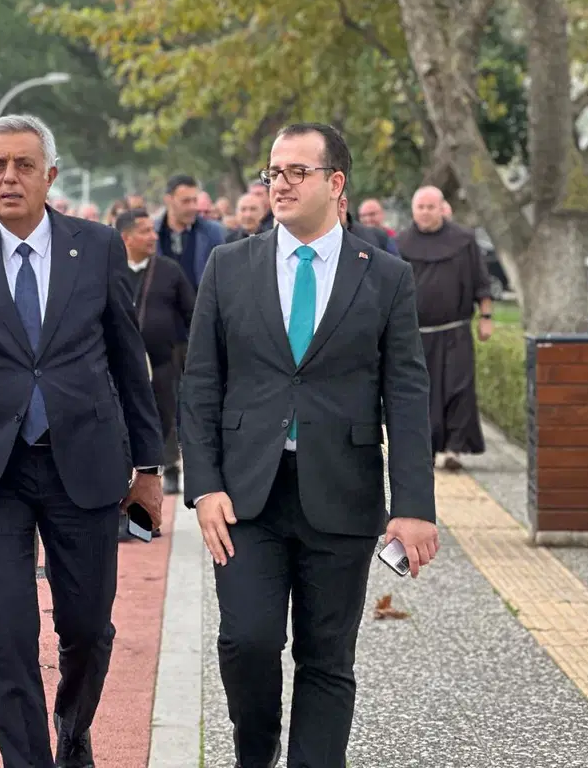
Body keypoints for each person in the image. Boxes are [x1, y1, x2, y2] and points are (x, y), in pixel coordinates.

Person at [181, 122, 438, 768]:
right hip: (247, 499)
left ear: (336, 182)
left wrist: (413, 506)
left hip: (343, 495)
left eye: (298, 171)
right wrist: (204, 486)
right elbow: (201, 384)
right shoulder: (228, 267)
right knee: (247, 641)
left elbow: (407, 395)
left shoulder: (385, 276)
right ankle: (256, 749)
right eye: (274, 171)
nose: (281, 183)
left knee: (326, 657)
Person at [0, 114, 164, 768]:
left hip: (84, 463)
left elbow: (127, 357)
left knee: (88, 628)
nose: (9, 177)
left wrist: (149, 467)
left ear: (50, 175)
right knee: (7, 636)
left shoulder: (97, 247)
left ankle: (73, 730)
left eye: (23, 165)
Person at [395, 185, 493, 471]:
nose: (425, 212)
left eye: (430, 207)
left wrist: (486, 317)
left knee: (458, 389)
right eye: (420, 207)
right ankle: (426, 448)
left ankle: (455, 448)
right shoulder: (400, 243)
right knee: (422, 392)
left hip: (455, 331)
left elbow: (481, 281)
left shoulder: (464, 240)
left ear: (442, 208)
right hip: (416, 335)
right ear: (413, 210)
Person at [116, 209, 194, 498]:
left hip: (161, 362)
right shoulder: (110, 270)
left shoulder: (169, 270)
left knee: (163, 419)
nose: (153, 236)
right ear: (126, 237)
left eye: (153, 230)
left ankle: (168, 470)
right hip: (121, 366)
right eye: (145, 231)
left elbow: (192, 313)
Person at [156, 174, 225, 288]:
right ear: (168, 200)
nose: (193, 207)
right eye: (186, 201)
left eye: (195, 200)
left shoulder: (213, 232)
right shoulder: (153, 233)